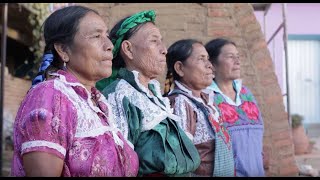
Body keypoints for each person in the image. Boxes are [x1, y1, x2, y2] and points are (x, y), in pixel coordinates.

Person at [11, 6, 139, 177]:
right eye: (96, 36)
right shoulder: (51, 97)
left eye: (107, 36)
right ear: (63, 50)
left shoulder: (99, 104)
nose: (109, 46)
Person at [96, 10, 201, 176]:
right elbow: (119, 166)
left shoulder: (155, 97)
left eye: (162, 41)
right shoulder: (120, 96)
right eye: (154, 41)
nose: (164, 49)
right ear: (128, 49)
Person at [164, 39, 235, 177]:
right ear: (180, 68)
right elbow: (182, 162)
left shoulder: (206, 100)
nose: (210, 66)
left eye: (208, 59)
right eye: (201, 59)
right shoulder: (181, 103)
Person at [205, 38, 265, 177]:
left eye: (238, 57)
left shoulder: (246, 94)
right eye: (230, 57)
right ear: (213, 64)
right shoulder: (207, 97)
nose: (237, 61)